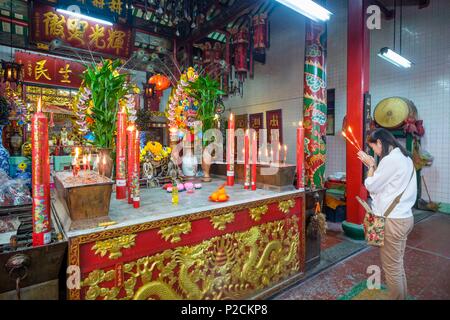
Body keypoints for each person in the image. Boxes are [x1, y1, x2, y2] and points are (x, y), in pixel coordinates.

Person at [357, 128, 417, 300]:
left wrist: (370, 166)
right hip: (405, 218)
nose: (374, 152)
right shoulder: (405, 158)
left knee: (392, 269)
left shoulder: (391, 160)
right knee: (397, 265)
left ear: (380, 143)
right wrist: (375, 165)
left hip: (393, 222)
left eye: (373, 148)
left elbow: (372, 185)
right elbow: (386, 186)